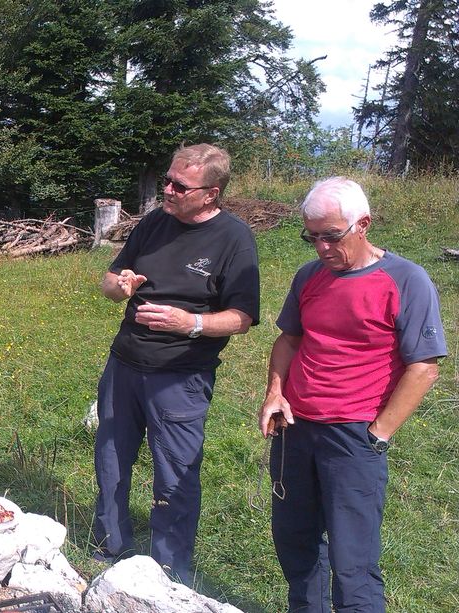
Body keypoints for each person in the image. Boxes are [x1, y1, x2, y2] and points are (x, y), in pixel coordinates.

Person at [258, 177, 445, 612]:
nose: (321, 248)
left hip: (354, 436)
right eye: (311, 237)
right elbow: (289, 340)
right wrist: (274, 393)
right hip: (295, 429)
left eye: (330, 236)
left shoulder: (406, 280)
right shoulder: (309, 276)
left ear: (363, 224)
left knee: (352, 560)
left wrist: (378, 434)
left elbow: (424, 367)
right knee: (295, 543)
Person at [92, 143, 260, 582]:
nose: (167, 189)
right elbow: (110, 281)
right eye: (168, 180)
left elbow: (242, 318)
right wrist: (119, 286)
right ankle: (108, 545)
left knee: (175, 474)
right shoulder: (154, 223)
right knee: (110, 459)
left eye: (179, 186)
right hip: (125, 364)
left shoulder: (234, 239)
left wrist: (191, 323)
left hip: (181, 377)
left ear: (211, 193)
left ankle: (169, 571)